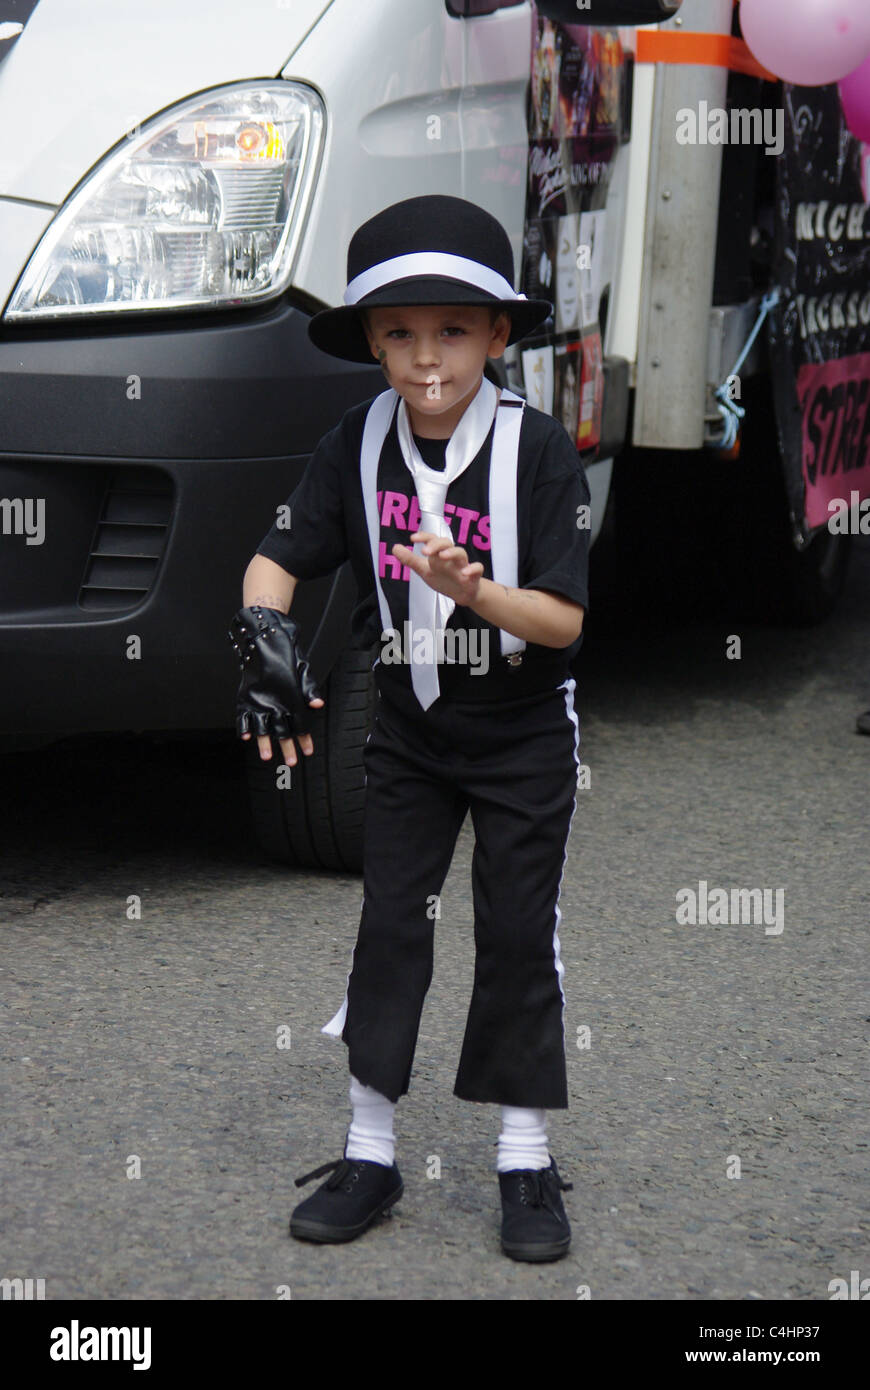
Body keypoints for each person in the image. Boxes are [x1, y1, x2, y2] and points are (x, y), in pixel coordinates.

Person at [230, 194, 591, 1262]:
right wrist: (264, 653)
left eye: (451, 330)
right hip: (411, 732)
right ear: (371, 340)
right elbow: (276, 560)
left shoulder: (538, 452)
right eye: (397, 332)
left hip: (523, 730)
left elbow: (563, 622)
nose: (425, 357)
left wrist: (474, 591)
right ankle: (369, 1151)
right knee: (391, 924)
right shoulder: (356, 442)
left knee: (520, 933)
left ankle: (524, 1161)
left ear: (496, 334)